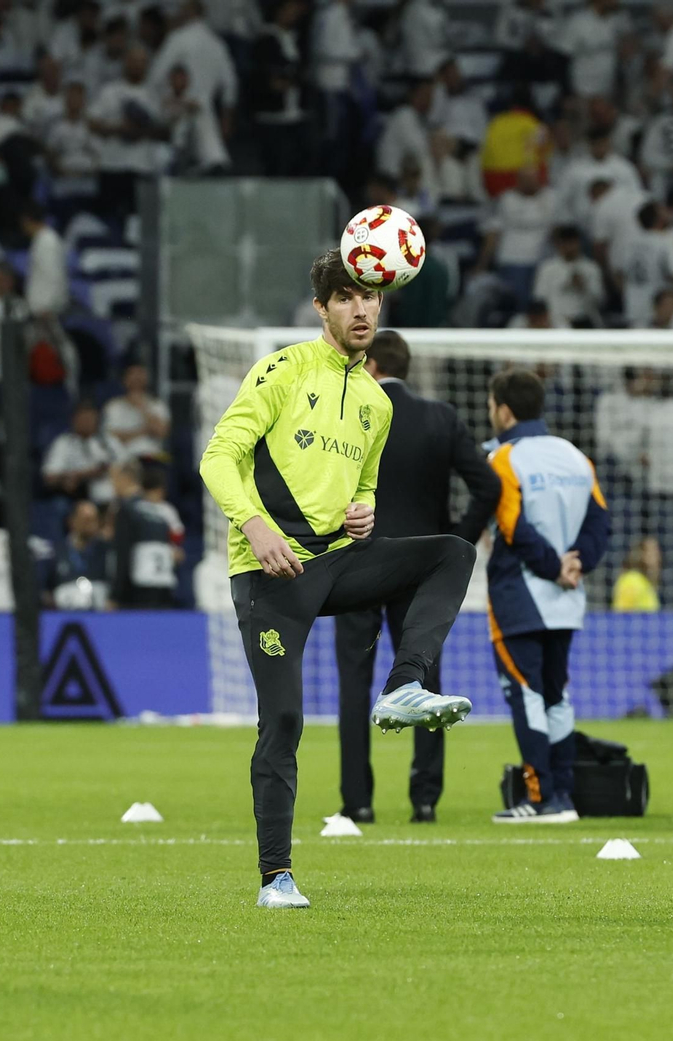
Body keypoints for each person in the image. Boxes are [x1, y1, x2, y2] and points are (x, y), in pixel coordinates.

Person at [199, 250, 477, 909]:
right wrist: (255, 527)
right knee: (284, 719)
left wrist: (364, 512)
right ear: (321, 307)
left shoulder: (378, 404)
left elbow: (365, 490)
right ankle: (276, 877)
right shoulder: (284, 369)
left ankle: (404, 685)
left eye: (370, 297)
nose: (361, 309)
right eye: (346, 297)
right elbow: (218, 457)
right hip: (271, 571)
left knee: (452, 553)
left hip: (336, 561)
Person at [334, 331, 502, 825]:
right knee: (423, 677)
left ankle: (357, 801)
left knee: (353, 683)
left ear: (370, 365)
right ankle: (425, 799)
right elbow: (487, 486)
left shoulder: (350, 414)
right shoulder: (440, 417)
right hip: (419, 570)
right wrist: (454, 541)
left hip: (356, 563)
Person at [484, 370, 609, 824]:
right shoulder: (576, 457)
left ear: (503, 410)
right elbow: (599, 523)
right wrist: (578, 564)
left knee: (527, 694)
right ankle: (563, 796)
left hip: (521, 595)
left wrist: (553, 567)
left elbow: (513, 527)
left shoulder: (503, 458)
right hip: (567, 599)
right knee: (556, 695)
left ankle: (539, 798)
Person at [108, 461, 183, 609]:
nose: (112, 486)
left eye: (114, 480)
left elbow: (123, 554)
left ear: (125, 478)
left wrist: (115, 595)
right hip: (164, 587)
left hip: (137, 591)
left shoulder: (126, 510)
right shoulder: (160, 510)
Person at [611, 537, 661, 612]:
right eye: (650, 551)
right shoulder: (631, 579)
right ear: (641, 554)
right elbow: (621, 613)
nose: (656, 556)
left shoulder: (647, 582)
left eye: (657, 551)